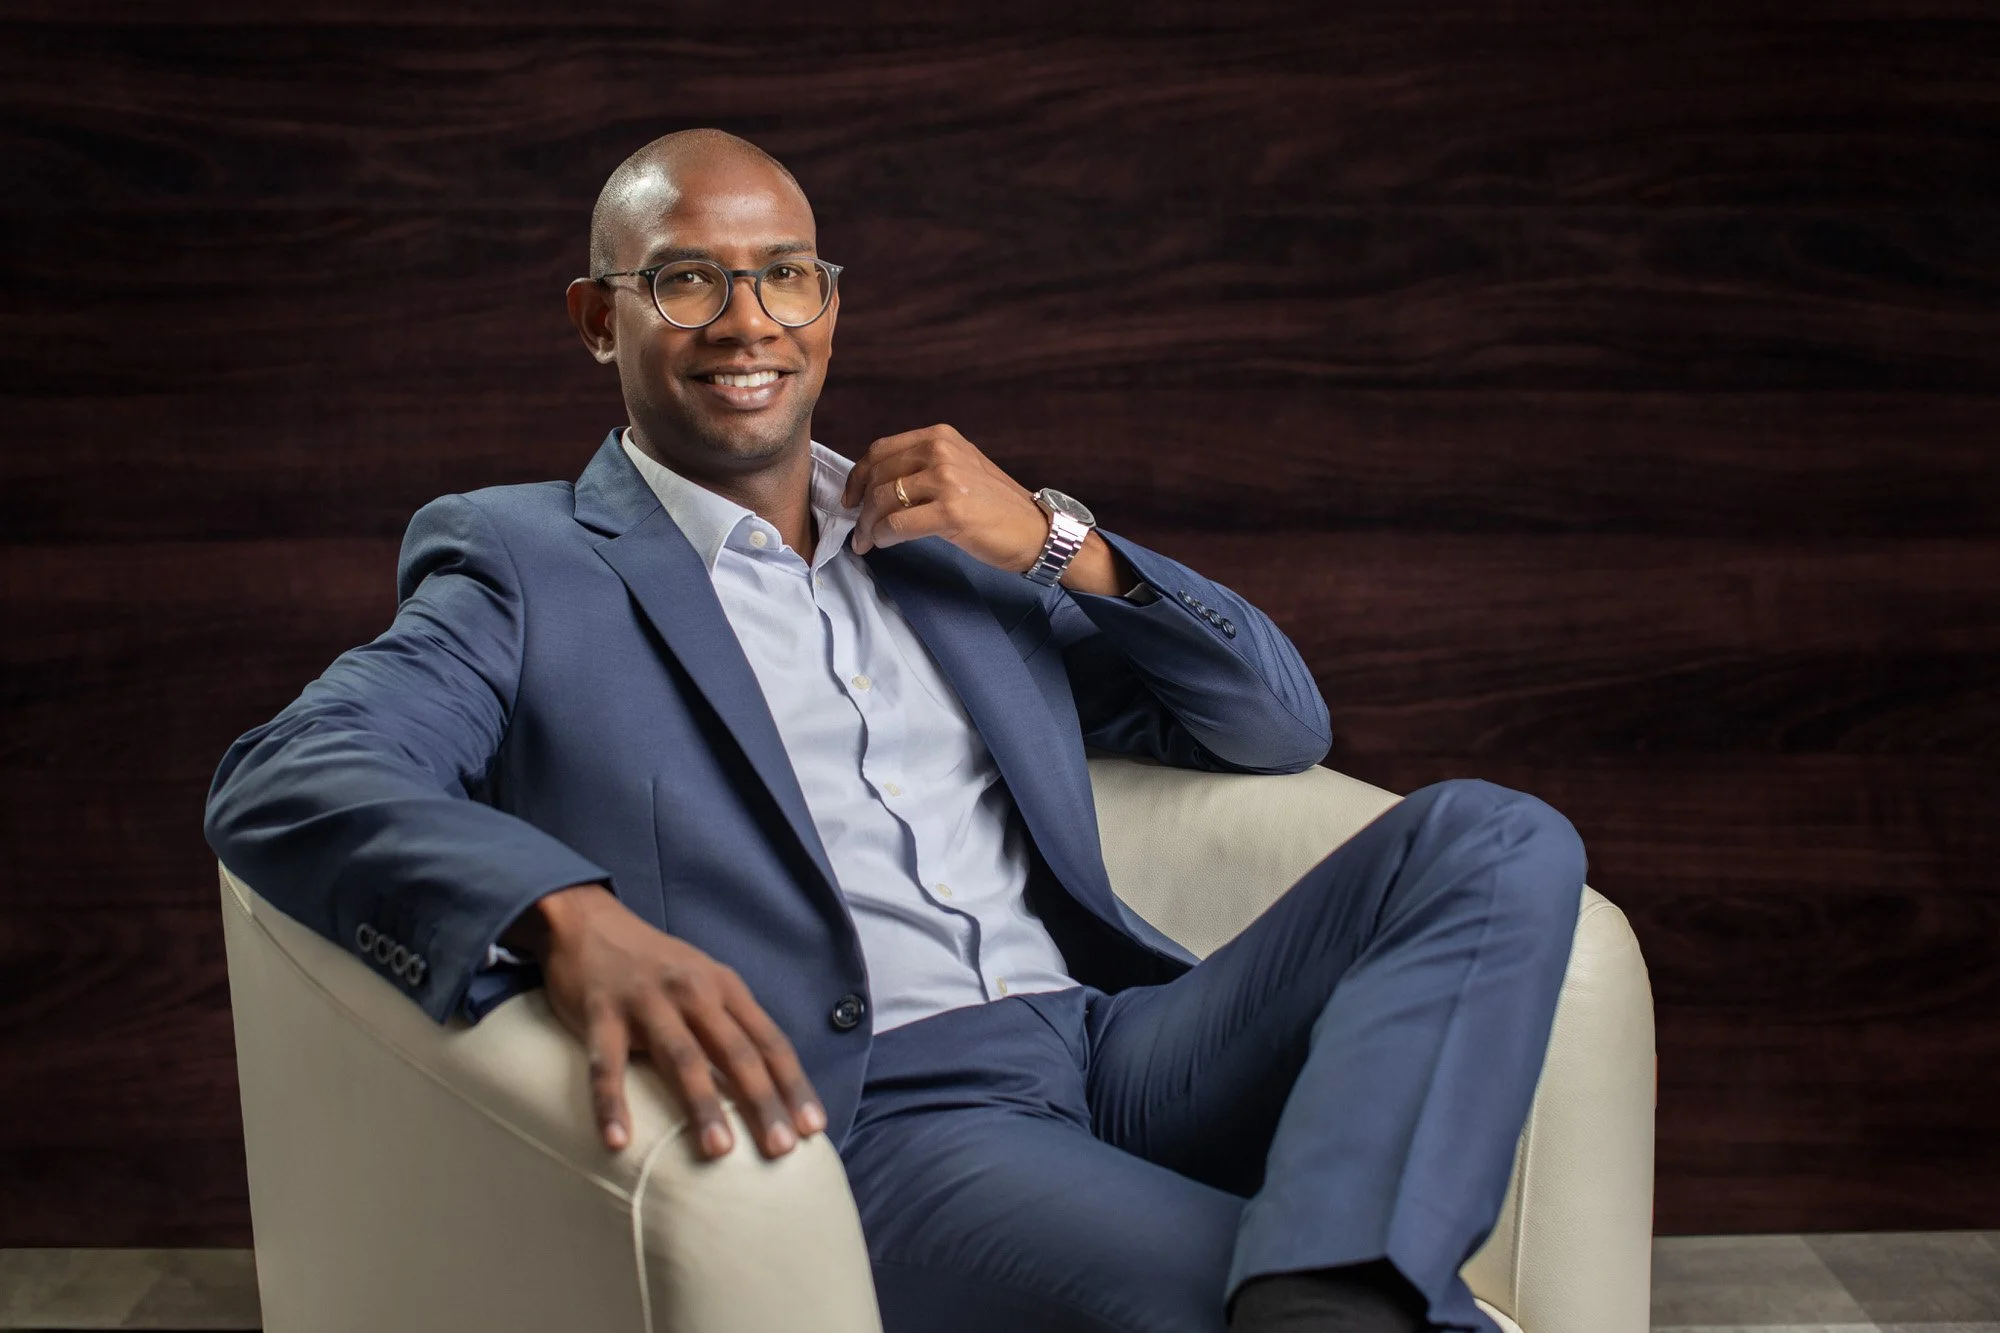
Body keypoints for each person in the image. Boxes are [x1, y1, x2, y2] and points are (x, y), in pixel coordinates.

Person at [205, 128, 1585, 1333]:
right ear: (597, 320)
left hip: (1118, 1044)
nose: (748, 321)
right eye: (686, 280)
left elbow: (1272, 724)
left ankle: (1333, 1287)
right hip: (893, 1114)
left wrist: (1055, 542)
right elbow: (289, 775)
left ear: (830, 305)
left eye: (785, 275)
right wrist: (564, 915)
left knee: (1493, 835)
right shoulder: (523, 563)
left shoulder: (940, 546)